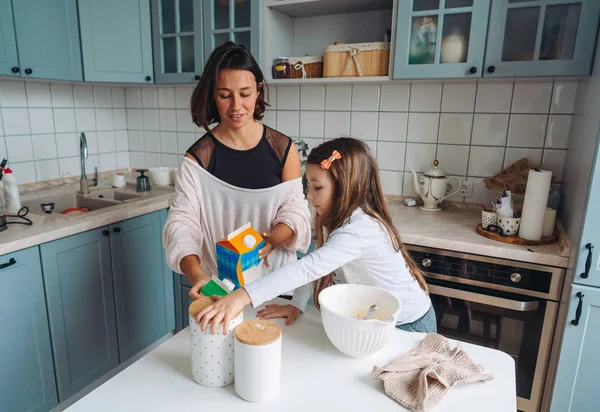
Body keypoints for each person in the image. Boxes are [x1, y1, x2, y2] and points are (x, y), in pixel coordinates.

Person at [194, 137, 436, 335]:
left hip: (408, 325)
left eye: (317, 187)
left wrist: (241, 296)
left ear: (346, 186)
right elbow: (314, 263)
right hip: (379, 320)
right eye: (309, 186)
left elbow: (308, 268)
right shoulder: (342, 221)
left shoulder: (359, 231)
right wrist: (297, 305)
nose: (310, 195)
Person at [163, 41, 311, 312]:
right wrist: (196, 274)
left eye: (245, 93)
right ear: (212, 96)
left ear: (258, 91)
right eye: (224, 95)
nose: (236, 106)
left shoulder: (284, 149)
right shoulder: (197, 160)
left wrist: (272, 239)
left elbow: (296, 211)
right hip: (222, 292)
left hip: (277, 288)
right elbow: (181, 225)